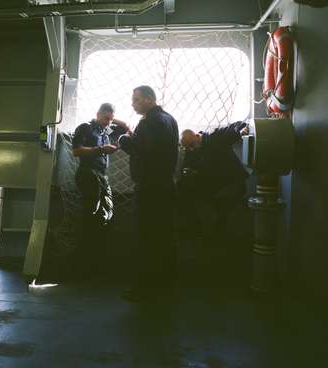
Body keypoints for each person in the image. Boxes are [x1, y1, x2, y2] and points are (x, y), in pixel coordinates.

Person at [119, 86, 179, 302]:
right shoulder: (169, 120)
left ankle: (143, 289)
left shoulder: (149, 122)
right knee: (163, 236)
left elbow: (144, 151)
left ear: (148, 99)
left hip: (150, 188)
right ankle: (165, 285)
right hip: (165, 186)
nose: (132, 103)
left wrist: (124, 141)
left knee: (146, 238)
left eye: (136, 100)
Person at [71, 103, 129, 277]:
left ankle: (94, 256)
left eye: (110, 119)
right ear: (97, 114)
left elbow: (125, 127)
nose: (108, 122)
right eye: (105, 118)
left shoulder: (106, 130)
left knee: (106, 214)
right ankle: (86, 259)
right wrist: (101, 149)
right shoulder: (86, 128)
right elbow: (76, 151)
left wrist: (111, 119)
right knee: (91, 216)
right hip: (88, 175)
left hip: (101, 177)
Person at [179, 121, 249, 239]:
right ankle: (199, 230)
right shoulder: (191, 151)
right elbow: (186, 168)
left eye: (191, 145)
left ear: (197, 136)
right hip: (213, 183)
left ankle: (217, 233)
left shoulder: (214, 137)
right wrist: (187, 172)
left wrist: (241, 130)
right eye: (187, 148)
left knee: (221, 208)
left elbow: (234, 127)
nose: (190, 149)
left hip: (231, 180)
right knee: (181, 188)